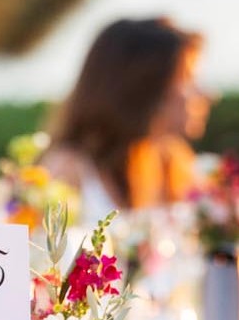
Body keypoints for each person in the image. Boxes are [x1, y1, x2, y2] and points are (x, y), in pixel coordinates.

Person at [41, 17, 211, 216]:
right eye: (188, 78)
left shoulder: (173, 162)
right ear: (143, 86)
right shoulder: (68, 172)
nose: (207, 94)